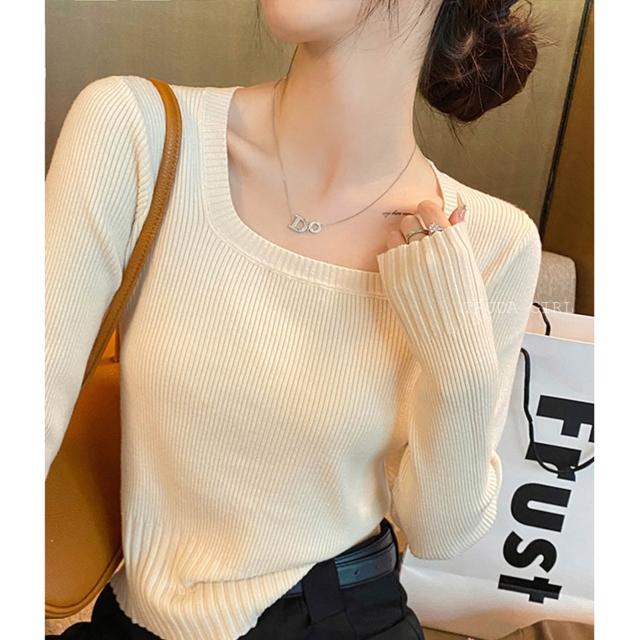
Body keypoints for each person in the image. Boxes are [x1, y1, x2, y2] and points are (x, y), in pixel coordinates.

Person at [44, 0, 542, 638]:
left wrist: (459, 365)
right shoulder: (138, 131)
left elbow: (441, 532)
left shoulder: (494, 241)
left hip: (346, 613)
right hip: (145, 617)